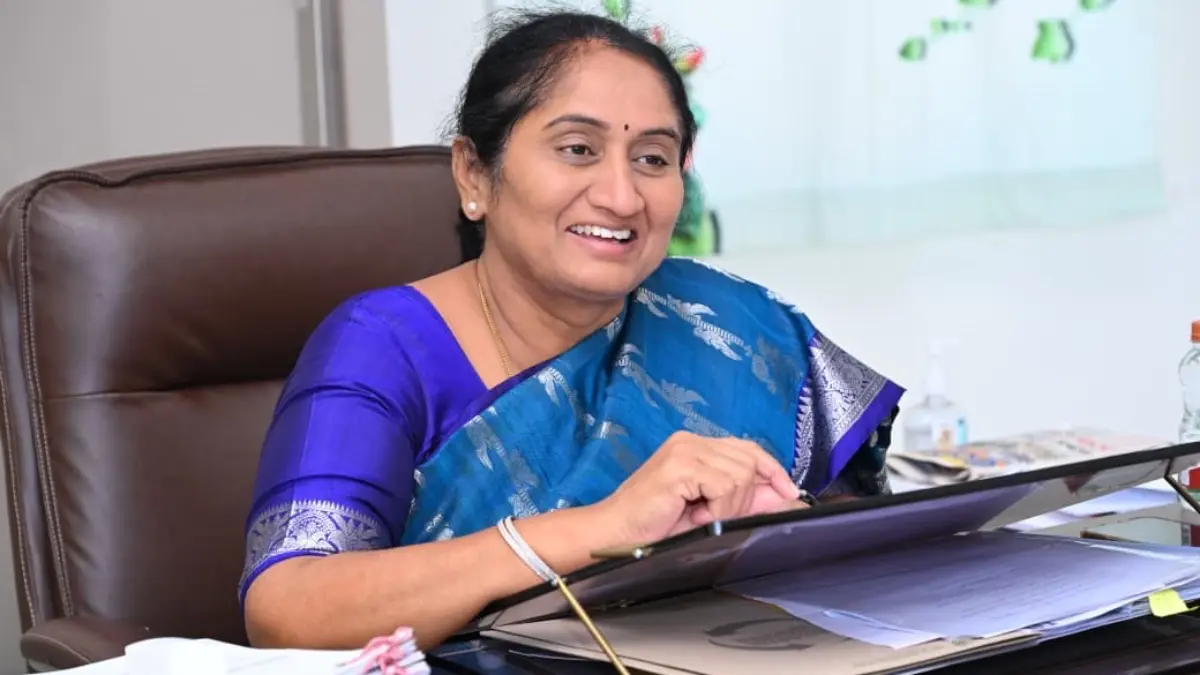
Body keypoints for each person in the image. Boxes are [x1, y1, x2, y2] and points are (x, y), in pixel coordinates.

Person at [240, 9, 904, 652]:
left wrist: (778, 534)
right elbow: (288, 609)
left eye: (652, 159)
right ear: (474, 174)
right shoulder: (381, 347)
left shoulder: (730, 320)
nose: (621, 196)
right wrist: (602, 529)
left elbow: (866, 542)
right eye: (578, 149)